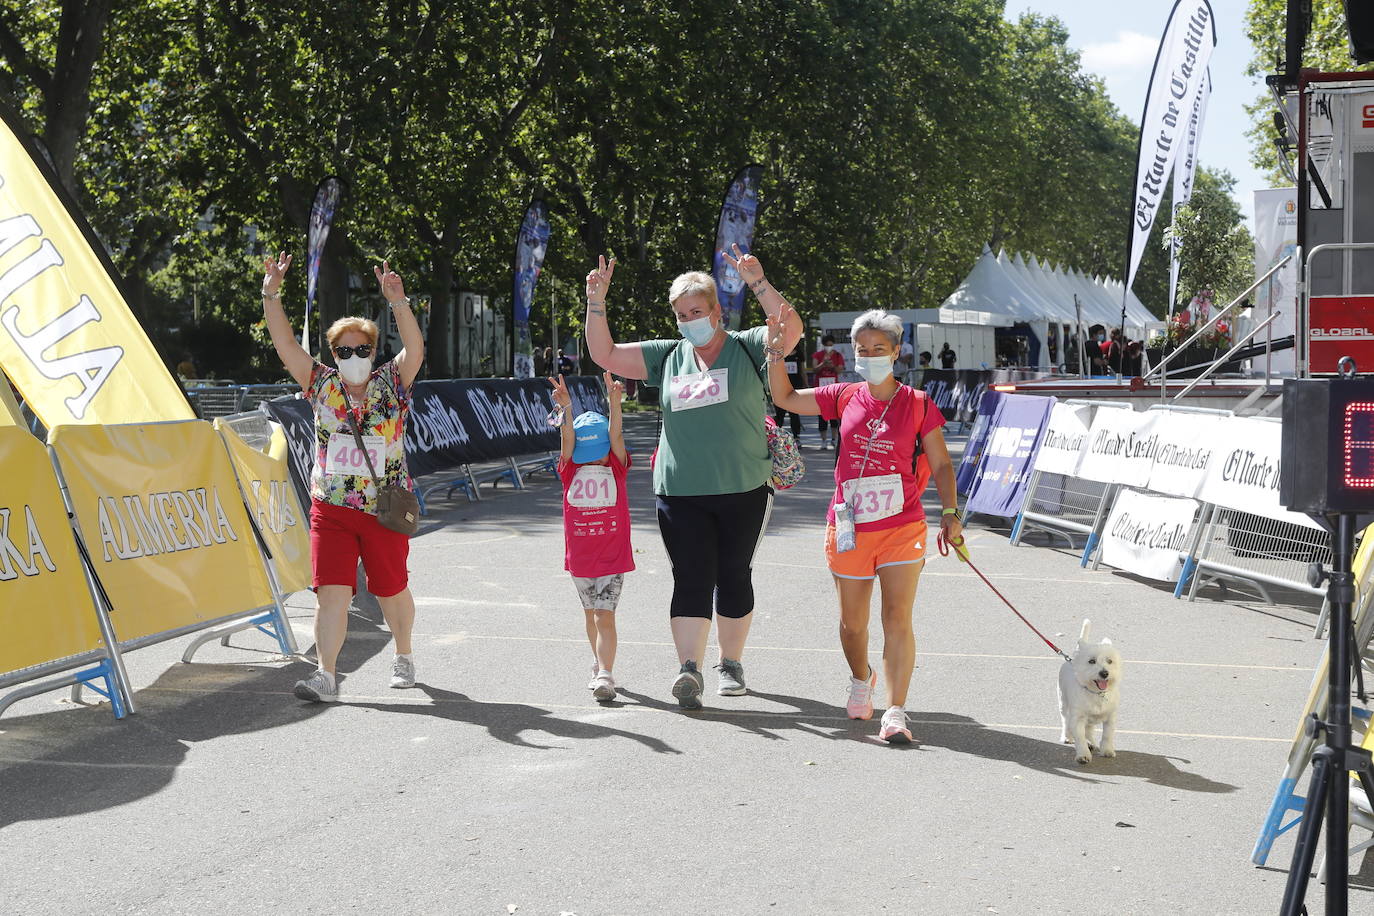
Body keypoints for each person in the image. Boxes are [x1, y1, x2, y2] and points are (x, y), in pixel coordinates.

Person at [584, 245, 802, 709]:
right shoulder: (667, 356)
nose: (689, 320)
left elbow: (792, 328)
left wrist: (758, 282)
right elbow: (604, 353)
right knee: (690, 576)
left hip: (744, 487)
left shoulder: (748, 344)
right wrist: (596, 301)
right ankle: (690, 669)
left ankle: (731, 664)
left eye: (697, 311)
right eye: (682, 314)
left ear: (717, 312)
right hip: (679, 491)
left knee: (733, 573)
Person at [767, 307, 962, 744]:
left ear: (896, 352)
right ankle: (861, 678)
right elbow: (785, 398)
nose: (870, 354)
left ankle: (895, 711)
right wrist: (776, 352)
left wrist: (950, 513)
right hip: (851, 526)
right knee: (853, 624)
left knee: (898, 618)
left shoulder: (917, 403)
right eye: (863, 349)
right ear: (853, 354)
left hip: (902, 526)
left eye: (879, 348)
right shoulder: (843, 395)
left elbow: (942, 465)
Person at [260, 252, 425, 703]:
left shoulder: (393, 381)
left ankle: (404, 655)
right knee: (331, 594)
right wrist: (271, 294)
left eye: (362, 349)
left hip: (384, 507)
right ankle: (326, 675)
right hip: (330, 508)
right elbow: (285, 345)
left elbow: (416, 348)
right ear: (333, 354)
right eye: (344, 350)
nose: (353, 356)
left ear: (375, 350)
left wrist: (398, 302)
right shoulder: (321, 384)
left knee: (391, 589)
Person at [551, 371, 633, 703]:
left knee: (604, 615)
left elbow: (615, 435)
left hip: (612, 556)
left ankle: (605, 675)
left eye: (598, 451)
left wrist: (615, 404)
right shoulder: (570, 469)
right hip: (581, 558)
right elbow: (568, 440)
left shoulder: (616, 465)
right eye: (592, 452)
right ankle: (599, 663)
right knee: (590, 615)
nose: (596, 458)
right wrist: (567, 409)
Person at [812, 335, 845, 448]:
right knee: (821, 415)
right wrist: (823, 364)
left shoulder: (837, 355)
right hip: (820, 388)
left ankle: (834, 439)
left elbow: (839, 370)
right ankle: (823, 440)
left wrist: (832, 366)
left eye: (831, 345)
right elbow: (814, 369)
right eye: (827, 345)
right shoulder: (818, 355)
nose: (829, 347)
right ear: (823, 345)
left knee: (834, 414)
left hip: (833, 389)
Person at [773, 340, 805, 439]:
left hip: (795, 387)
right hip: (780, 387)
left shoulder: (799, 355)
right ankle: (775, 437)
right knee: (780, 414)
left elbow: (802, 371)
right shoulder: (779, 354)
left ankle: (796, 436)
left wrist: (805, 384)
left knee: (794, 413)